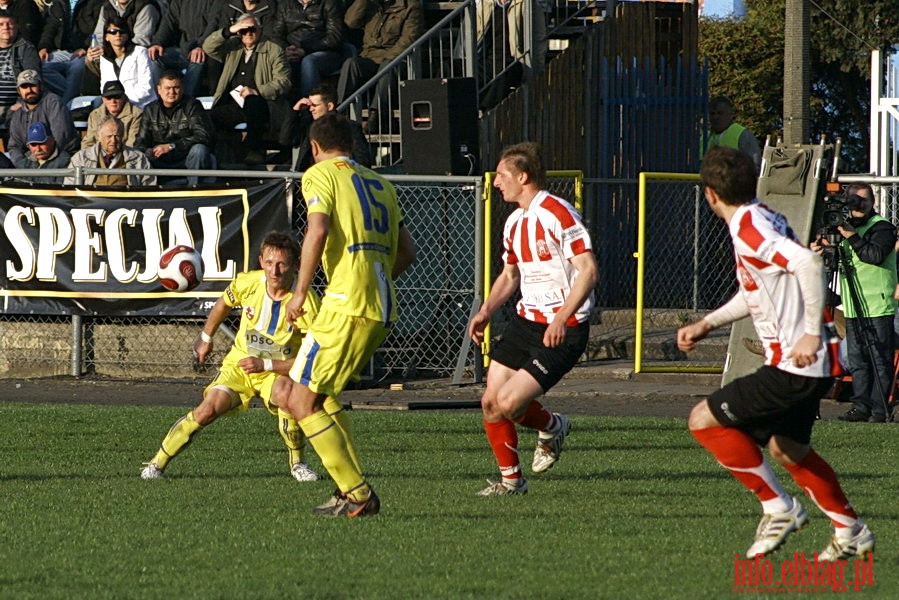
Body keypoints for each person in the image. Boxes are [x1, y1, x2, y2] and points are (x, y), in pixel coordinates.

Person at [677, 146, 874, 561]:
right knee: (788, 449)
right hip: (807, 361)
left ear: (710, 194)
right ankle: (849, 529)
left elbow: (807, 264)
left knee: (703, 420)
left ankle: (778, 506)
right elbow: (758, 290)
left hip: (795, 362)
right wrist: (707, 323)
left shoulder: (751, 228)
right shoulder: (762, 217)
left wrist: (807, 335)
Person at [282, 112, 417, 517]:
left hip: (345, 304)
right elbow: (408, 251)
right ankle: (350, 490)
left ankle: (356, 492)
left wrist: (300, 292)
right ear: (353, 146)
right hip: (381, 305)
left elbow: (317, 229)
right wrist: (373, 281)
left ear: (315, 148)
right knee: (317, 399)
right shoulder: (382, 183)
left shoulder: (318, 174)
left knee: (297, 400)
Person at [467, 141, 597, 496]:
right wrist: (485, 311)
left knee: (509, 403)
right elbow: (510, 275)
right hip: (526, 324)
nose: (495, 182)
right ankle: (513, 482)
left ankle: (552, 425)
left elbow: (588, 270)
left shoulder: (558, 212)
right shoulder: (514, 222)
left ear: (523, 176)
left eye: (502, 175)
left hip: (564, 330)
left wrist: (561, 318)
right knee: (491, 403)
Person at [141, 231, 324, 482]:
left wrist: (267, 364)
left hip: (275, 371)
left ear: (296, 265)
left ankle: (298, 465)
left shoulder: (307, 303)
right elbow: (223, 304)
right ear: (261, 261)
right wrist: (206, 338)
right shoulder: (248, 283)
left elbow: (313, 356)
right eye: (269, 263)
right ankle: (155, 465)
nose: (275, 271)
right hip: (239, 365)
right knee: (206, 410)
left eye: (282, 264)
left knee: (287, 396)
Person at [811, 183, 897, 423]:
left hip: (878, 304)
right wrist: (822, 253)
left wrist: (850, 235)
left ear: (872, 202)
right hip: (852, 305)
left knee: (879, 359)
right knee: (858, 360)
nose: (859, 206)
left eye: (863, 200)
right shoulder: (842, 230)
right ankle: (860, 407)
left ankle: (880, 410)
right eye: (854, 200)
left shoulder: (883, 228)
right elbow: (840, 265)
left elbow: (874, 256)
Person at [203, 13, 292, 165]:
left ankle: (254, 150)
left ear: (260, 30)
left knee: (252, 102)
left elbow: (284, 81)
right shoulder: (233, 47)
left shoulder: (273, 50)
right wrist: (229, 30)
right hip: (233, 104)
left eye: (252, 29)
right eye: (244, 30)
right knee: (208, 117)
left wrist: (257, 90)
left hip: (263, 104)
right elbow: (208, 47)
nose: (249, 33)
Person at [338, 0, 423, 129]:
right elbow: (350, 22)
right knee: (351, 64)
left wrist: (387, 58)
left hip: (396, 59)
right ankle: (339, 111)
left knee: (387, 66)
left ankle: (376, 116)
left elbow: (409, 39)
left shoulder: (410, 6)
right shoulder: (370, 4)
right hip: (369, 56)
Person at [134, 70, 216, 185]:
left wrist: (172, 146)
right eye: (167, 88)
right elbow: (140, 143)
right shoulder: (150, 110)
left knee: (199, 150)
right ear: (159, 89)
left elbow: (203, 136)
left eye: (176, 87)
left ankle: (194, 190)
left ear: (182, 88)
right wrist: (148, 151)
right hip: (159, 160)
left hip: (186, 158)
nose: (171, 92)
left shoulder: (193, 106)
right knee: (137, 155)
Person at [270, 0, 345, 101]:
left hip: (324, 52)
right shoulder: (285, 4)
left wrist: (305, 50)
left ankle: (308, 106)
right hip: (291, 50)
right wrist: (286, 49)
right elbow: (276, 35)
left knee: (309, 61)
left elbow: (334, 38)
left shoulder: (329, 3)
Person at [6, 69, 79, 168]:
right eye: (24, 87)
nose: (29, 90)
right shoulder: (18, 114)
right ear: (19, 91)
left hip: (61, 158)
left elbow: (61, 139)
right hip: (30, 161)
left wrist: (36, 162)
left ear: (41, 86)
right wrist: (23, 165)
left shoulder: (54, 102)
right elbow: (14, 146)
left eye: (32, 85)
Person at [292, 82, 371, 171]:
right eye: (309, 106)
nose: (311, 109)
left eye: (315, 105)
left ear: (329, 106)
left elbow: (363, 161)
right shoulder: (309, 125)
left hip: (339, 179)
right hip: (307, 181)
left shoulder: (350, 127)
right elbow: (285, 139)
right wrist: (295, 110)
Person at [147, 0, 218, 97]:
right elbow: (169, 22)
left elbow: (214, 24)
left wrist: (201, 46)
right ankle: (159, 98)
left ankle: (185, 101)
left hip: (205, 50)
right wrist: (158, 42)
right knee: (154, 57)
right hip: (183, 49)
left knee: (198, 60)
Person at [66, 115, 157, 186]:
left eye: (117, 136)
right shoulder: (81, 157)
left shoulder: (138, 158)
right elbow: (69, 187)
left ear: (122, 136)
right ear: (99, 137)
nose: (113, 141)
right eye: (109, 136)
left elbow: (149, 186)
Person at [98, 16, 157, 108]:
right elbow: (104, 87)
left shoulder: (140, 52)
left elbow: (146, 88)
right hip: (115, 107)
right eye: (113, 32)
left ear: (127, 35)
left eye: (122, 31)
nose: (118, 35)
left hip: (142, 106)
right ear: (106, 37)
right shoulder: (104, 57)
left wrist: (123, 101)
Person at [704, 96, 762, 171]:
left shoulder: (742, 135)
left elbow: (754, 166)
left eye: (720, 113)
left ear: (730, 114)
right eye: (712, 114)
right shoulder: (704, 138)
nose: (716, 117)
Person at [0, 13, 40, 121]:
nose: (5, 27)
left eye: (9, 23)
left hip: (16, 104)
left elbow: (32, 77)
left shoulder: (26, 48)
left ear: (17, 26)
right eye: (1, 24)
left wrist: (21, 103)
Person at [82, 79, 143, 148]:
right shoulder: (95, 115)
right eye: (109, 97)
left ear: (123, 97)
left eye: (117, 97)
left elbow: (132, 144)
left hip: (125, 155)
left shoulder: (136, 114)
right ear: (103, 99)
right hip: (98, 155)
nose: (113, 101)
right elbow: (89, 142)